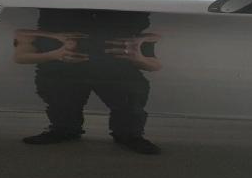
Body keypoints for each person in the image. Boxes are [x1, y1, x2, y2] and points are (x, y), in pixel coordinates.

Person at [13, 9, 162, 154]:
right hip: (68, 62)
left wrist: (138, 53)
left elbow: (153, 53)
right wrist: (55, 49)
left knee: (130, 99)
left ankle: (129, 134)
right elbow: (22, 43)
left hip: (111, 62)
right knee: (61, 98)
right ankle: (64, 129)